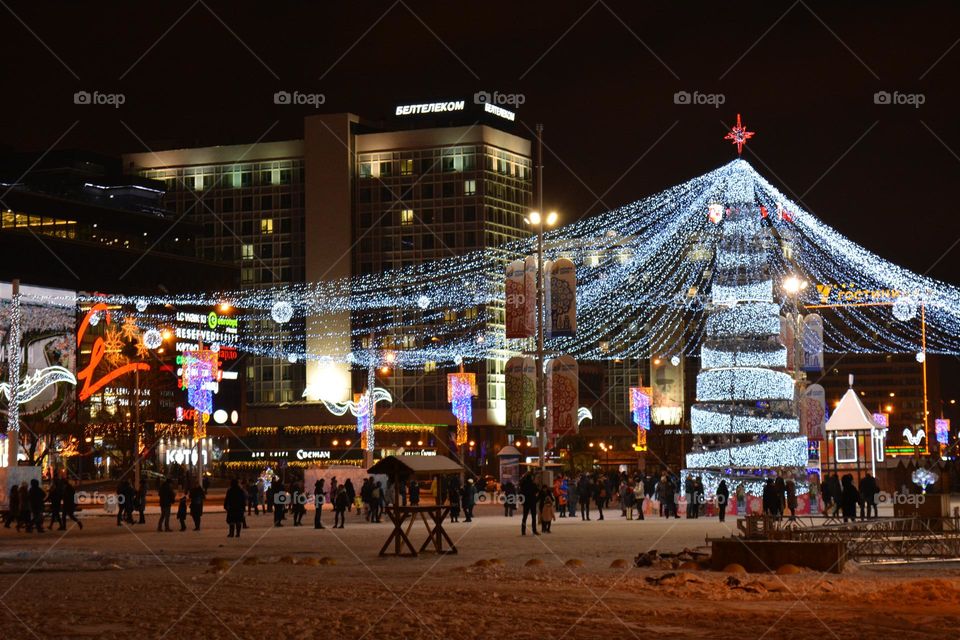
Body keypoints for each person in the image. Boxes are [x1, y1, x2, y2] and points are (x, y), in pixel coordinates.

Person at [519, 470, 538, 535]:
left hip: (526, 502)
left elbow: (520, 493)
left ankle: (523, 531)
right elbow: (536, 491)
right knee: (533, 517)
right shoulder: (533, 484)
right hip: (532, 502)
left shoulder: (523, 485)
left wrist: (522, 501)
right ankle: (534, 530)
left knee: (524, 517)